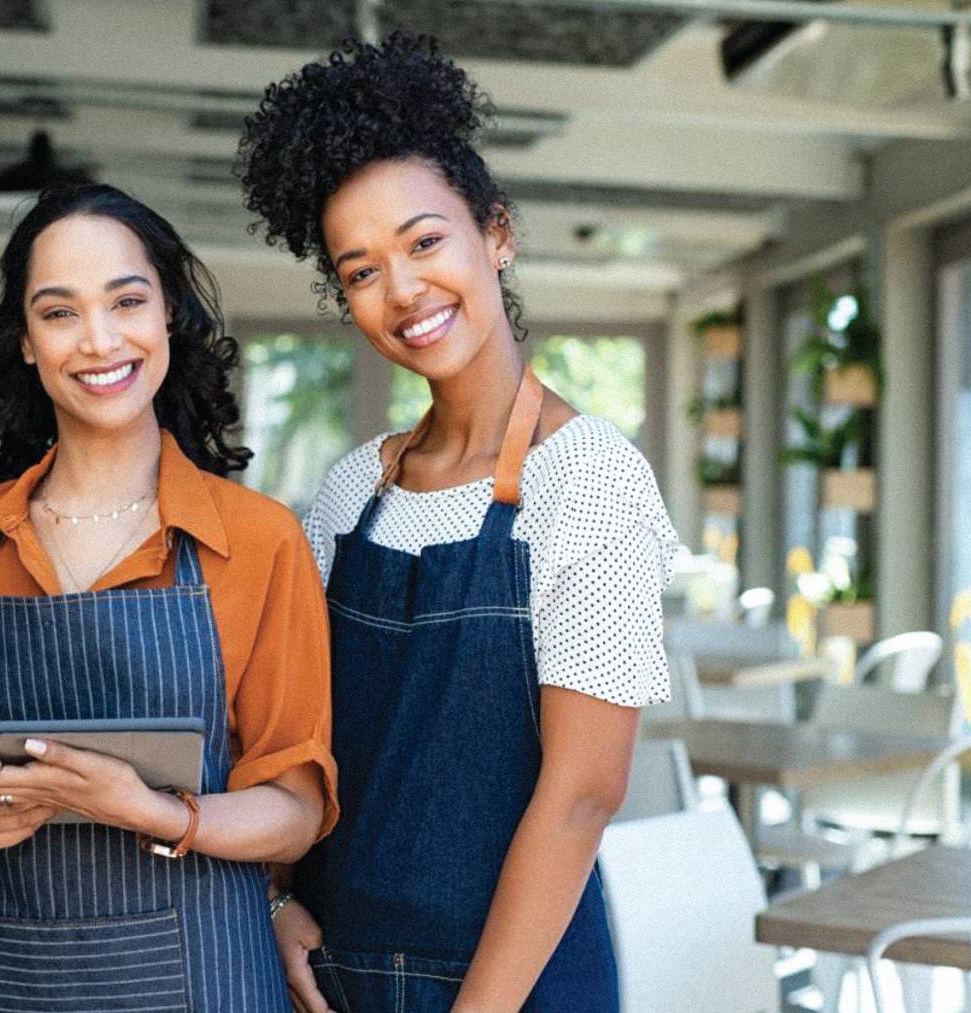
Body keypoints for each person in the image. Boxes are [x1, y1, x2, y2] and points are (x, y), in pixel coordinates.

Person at [237, 33, 681, 1013]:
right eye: (360, 270)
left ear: (497, 232)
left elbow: (582, 795)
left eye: (425, 241)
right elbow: (291, 739)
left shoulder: (589, 475)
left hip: (513, 985)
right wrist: (273, 901)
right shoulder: (355, 489)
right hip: (330, 975)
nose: (402, 291)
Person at [0, 183, 336, 1012]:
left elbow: (295, 810)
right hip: (3, 983)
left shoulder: (258, 540)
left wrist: (150, 810)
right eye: (59, 312)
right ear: (25, 342)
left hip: (208, 978)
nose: (99, 340)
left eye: (127, 300)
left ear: (168, 311)